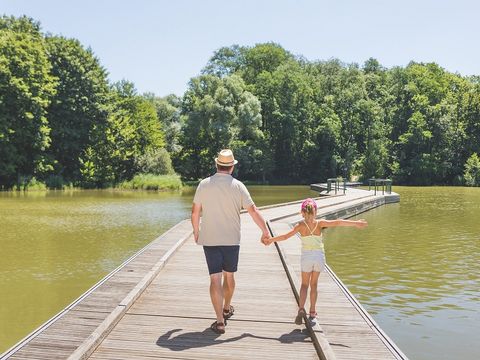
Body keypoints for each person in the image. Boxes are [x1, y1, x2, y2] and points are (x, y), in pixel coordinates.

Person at [191, 149, 271, 334]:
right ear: (232, 167)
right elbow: (253, 210)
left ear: (216, 164)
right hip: (231, 240)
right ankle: (227, 308)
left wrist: (196, 231)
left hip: (210, 239)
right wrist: (265, 230)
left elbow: (195, 212)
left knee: (214, 278)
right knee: (229, 276)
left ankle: (220, 321)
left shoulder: (203, 185)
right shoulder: (238, 186)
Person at [265, 198, 367, 324]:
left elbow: (286, 236)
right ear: (315, 212)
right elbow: (337, 222)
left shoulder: (300, 226)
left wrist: (270, 240)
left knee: (304, 285)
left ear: (302, 212)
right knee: (314, 285)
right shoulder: (320, 223)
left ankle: (301, 308)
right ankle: (312, 311)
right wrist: (356, 223)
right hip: (319, 257)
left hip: (306, 257)